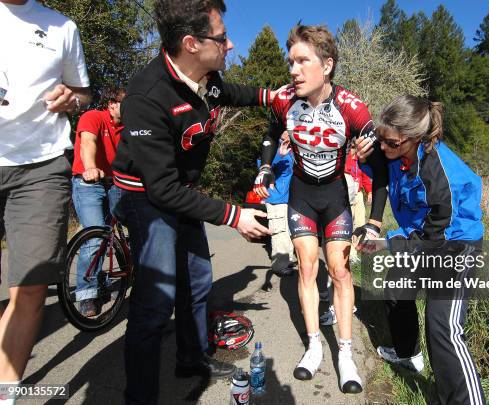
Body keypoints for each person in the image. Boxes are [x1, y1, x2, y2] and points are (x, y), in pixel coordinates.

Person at [110, 1, 283, 403]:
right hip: (145, 197)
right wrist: (233, 215)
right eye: (222, 38)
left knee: (199, 280)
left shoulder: (207, 77)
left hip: (179, 192)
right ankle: (140, 396)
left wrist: (273, 95)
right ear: (191, 43)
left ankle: (191, 359)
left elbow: (234, 93)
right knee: (155, 302)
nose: (231, 43)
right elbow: (162, 191)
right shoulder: (147, 96)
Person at [253, 24, 388, 394]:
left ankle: (345, 353)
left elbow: (380, 168)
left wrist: (374, 220)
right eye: (290, 61)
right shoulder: (284, 100)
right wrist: (266, 165)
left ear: (326, 65)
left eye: (302, 61)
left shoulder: (350, 105)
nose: (292, 70)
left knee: (341, 271)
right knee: (307, 268)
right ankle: (313, 345)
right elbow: (270, 131)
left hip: (334, 197)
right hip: (300, 194)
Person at [357, 94, 486, 405]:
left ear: (414, 139)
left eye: (391, 143)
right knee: (395, 289)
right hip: (423, 233)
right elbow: (379, 163)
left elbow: (433, 234)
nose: (383, 148)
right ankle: (407, 354)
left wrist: (388, 242)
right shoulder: (397, 151)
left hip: (454, 243)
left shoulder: (440, 176)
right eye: (381, 139)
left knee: (443, 326)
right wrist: (365, 151)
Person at [0, 0, 91, 402]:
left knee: (32, 287)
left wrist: (71, 98)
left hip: (41, 165)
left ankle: (5, 391)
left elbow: (83, 92)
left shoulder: (60, 27)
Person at [71, 87, 125, 317]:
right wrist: (91, 167)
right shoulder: (93, 116)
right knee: (94, 237)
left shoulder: (129, 128)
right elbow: (88, 143)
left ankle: (108, 277)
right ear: (112, 104)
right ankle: (87, 294)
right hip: (88, 182)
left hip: (114, 182)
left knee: (114, 234)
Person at [263, 131, 297, 277]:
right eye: (286, 130)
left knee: (288, 230)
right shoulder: (272, 146)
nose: (290, 133)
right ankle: (279, 265)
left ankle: (288, 258)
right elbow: (264, 167)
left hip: (289, 197)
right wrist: (279, 156)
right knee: (279, 231)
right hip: (276, 197)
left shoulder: (292, 148)